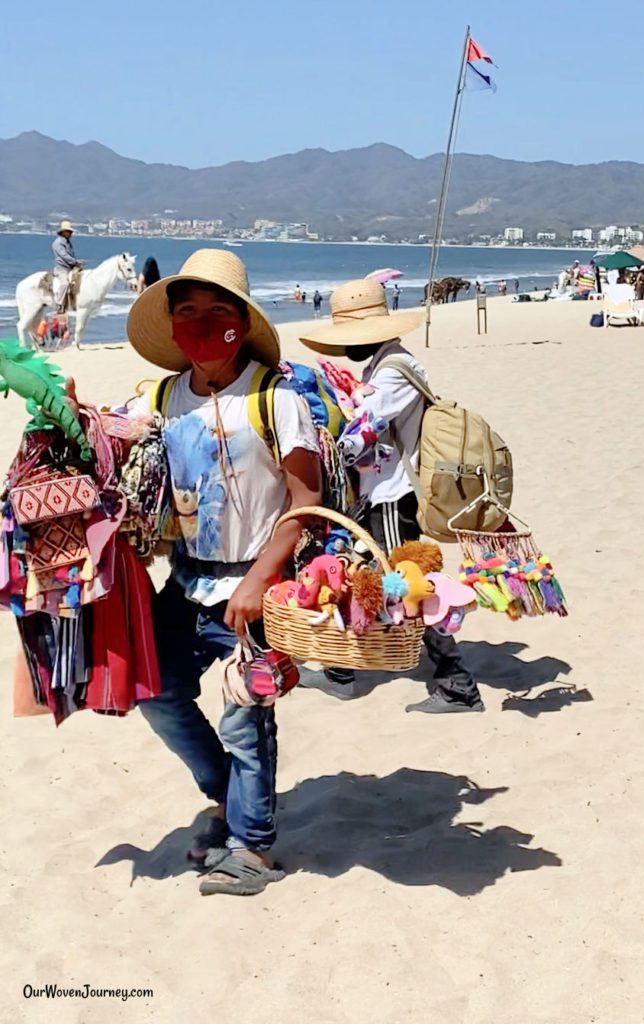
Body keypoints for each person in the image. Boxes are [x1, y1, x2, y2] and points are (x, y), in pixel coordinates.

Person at [126, 249, 322, 895]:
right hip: (185, 582)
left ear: (242, 320)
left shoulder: (274, 398)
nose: (202, 324)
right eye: (187, 313)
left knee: (246, 717)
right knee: (154, 691)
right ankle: (226, 799)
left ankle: (254, 848)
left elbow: (306, 504)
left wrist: (260, 578)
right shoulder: (160, 397)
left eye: (217, 311)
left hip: (256, 588)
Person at [298, 280, 485, 715]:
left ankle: (457, 686)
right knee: (353, 571)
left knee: (409, 584)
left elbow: (360, 433)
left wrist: (319, 444)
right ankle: (339, 670)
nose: (349, 350)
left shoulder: (394, 371)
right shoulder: (384, 365)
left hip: (392, 497)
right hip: (377, 494)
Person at [51, 220, 83, 312]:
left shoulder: (68, 242)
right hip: (62, 268)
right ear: (63, 232)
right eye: (68, 232)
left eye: (70, 232)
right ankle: (59, 304)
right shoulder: (57, 243)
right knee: (64, 284)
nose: (70, 233)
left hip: (70, 267)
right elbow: (64, 256)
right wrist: (76, 262)